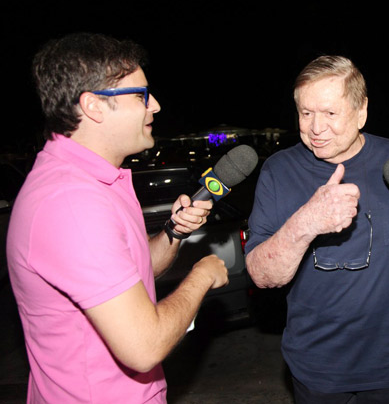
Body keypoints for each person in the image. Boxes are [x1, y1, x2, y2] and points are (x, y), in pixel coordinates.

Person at [7, 33, 229, 403]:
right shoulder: (72, 204)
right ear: (94, 106)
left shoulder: (96, 181)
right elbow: (144, 346)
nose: (154, 106)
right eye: (141, 95)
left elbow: (130, 274)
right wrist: (202, 276)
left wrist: (174, 231)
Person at [245, 55, 389, 403]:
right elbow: (262, 275)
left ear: (361, 111)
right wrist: (306, 221)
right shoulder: (278, 171)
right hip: (318, 370)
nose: (316, 128)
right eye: (306, 113)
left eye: (331, 113)